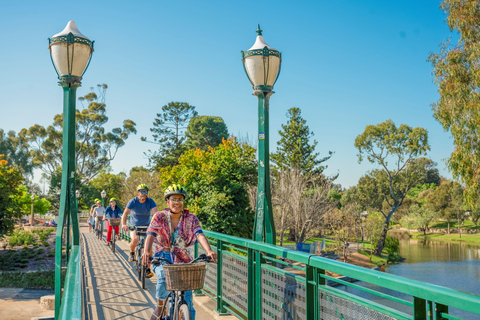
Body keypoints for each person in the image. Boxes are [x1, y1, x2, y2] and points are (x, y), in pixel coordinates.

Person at [142, 184, 217, 320]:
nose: (177, 202)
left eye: (180, 199)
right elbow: (151, 233)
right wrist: (147, 252)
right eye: (174, 199)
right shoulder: (159, 216)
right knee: (164, 277)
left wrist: (209, 250)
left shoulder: (191, 218)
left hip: (183, 258)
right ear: (168, 201)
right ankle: (160, 306)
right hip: (162, 256)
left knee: (188, 300)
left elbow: (199, 233)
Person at [122, 184, 158, 277]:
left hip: (147, 226)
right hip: (134, 225)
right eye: (142, 191)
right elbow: (125, 213)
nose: (144, 193)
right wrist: (124, 224)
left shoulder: (150, 201)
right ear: (138, 192)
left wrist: (158, 224)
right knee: (135, 239)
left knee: (148, 246)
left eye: (146, 191)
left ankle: (147, 269)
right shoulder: (133, 201)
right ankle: (132, 252)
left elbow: (156, 213)